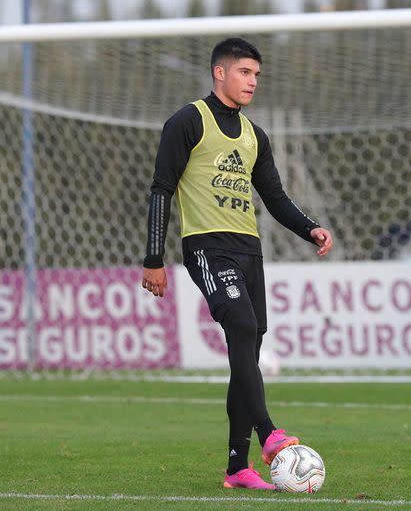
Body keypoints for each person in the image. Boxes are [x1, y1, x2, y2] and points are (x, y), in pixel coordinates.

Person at [141, 38, 334, 489]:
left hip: (249, 251)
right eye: (245, 72)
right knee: (243, 330)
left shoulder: (254, 136)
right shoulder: (189, 121)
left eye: (257, 75)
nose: (252, 81)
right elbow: (160, 189)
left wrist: (310, 229)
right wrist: (154, 259)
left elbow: (275, 198)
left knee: (246, 350)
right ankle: (268, 435)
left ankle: (236, 468)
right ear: (220, 73)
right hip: (208, 248)